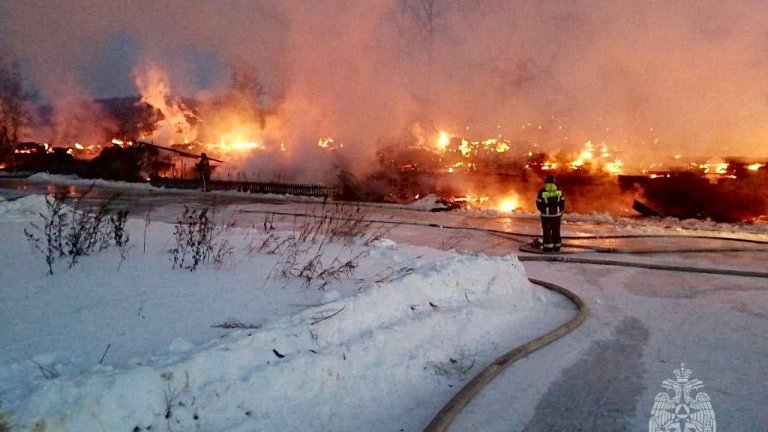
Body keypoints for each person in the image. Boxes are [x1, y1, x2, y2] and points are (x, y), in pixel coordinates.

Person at [535, 174, 565, 252]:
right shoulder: (559, 190)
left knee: (547, 231)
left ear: (546, 181)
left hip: (546, 215)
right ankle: (557, 246)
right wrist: (560, 211)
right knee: (556, 230)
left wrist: (542, 210)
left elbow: (538, 203)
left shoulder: (542, 191)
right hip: (556, 215)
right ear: (554, 181)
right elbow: (562, 202)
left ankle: (548, 247)